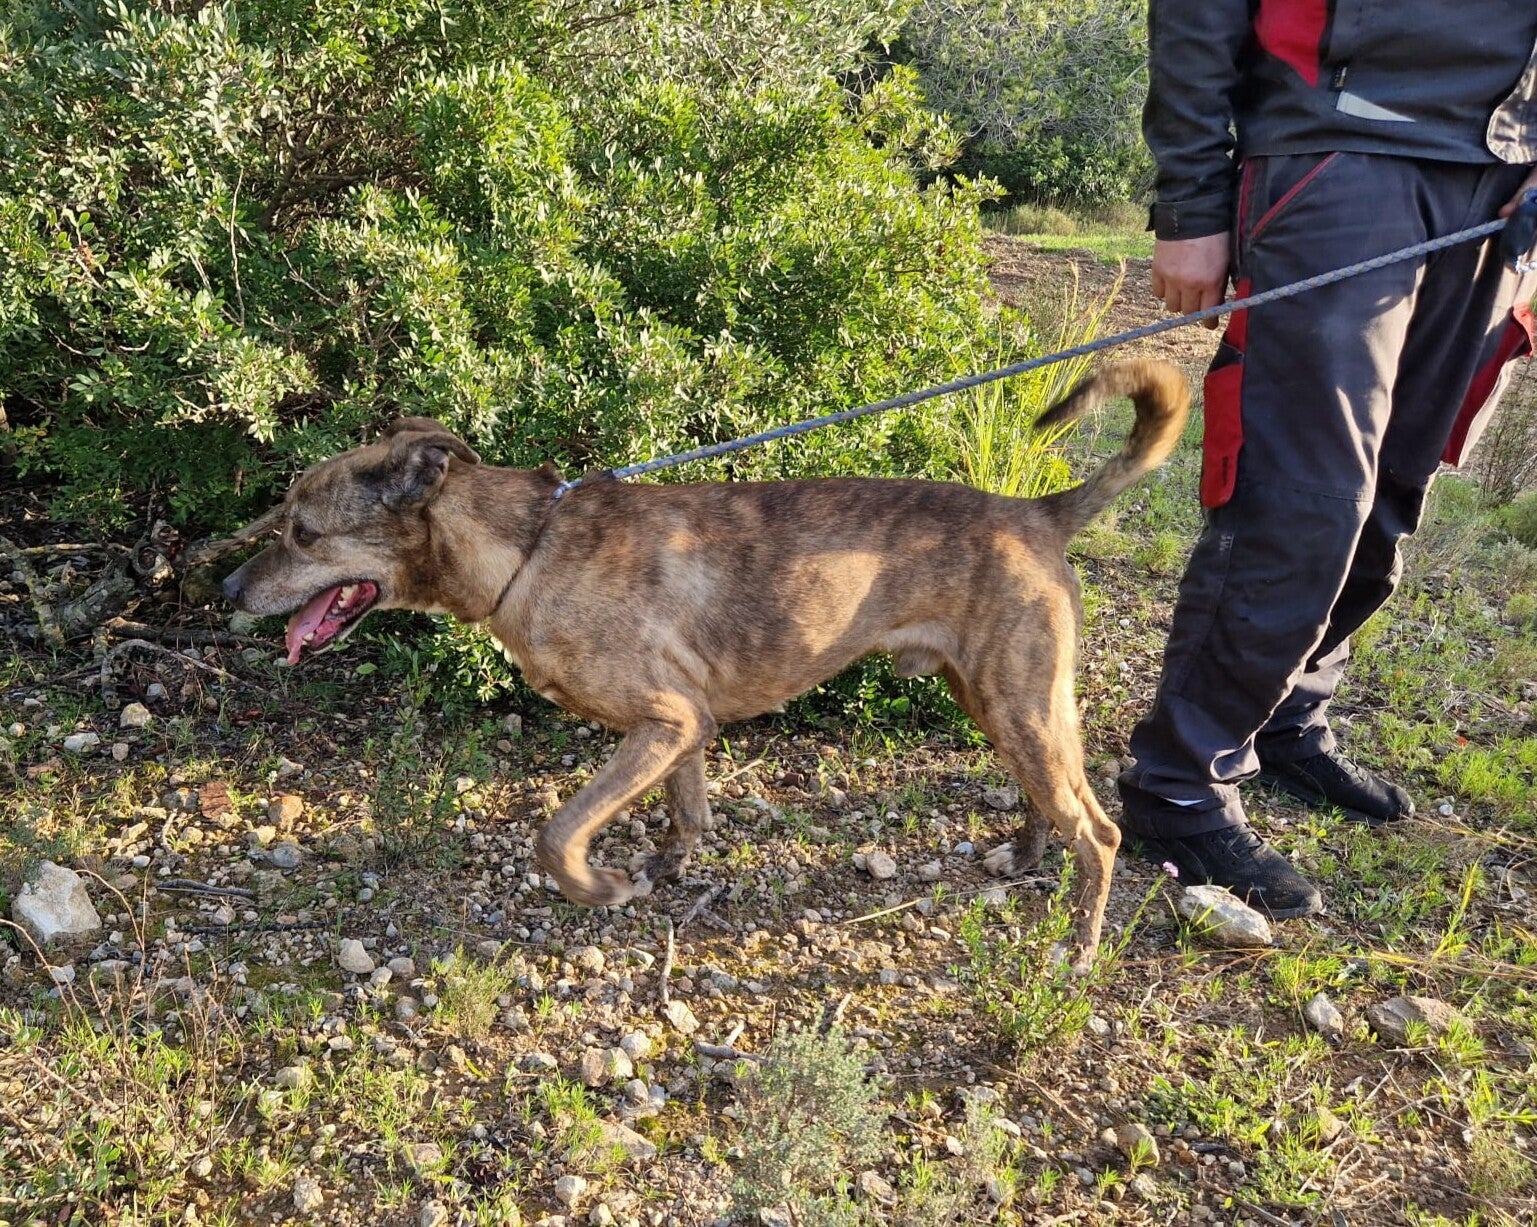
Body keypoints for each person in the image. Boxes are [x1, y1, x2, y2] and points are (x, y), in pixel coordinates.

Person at [1119, 2, 1537, 917]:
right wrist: (1190, 200)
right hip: (1340, 154)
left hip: (1504, 179)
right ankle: (1179, 782)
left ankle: (1285, 713)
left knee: (1395, 485)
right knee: (1302, 494)